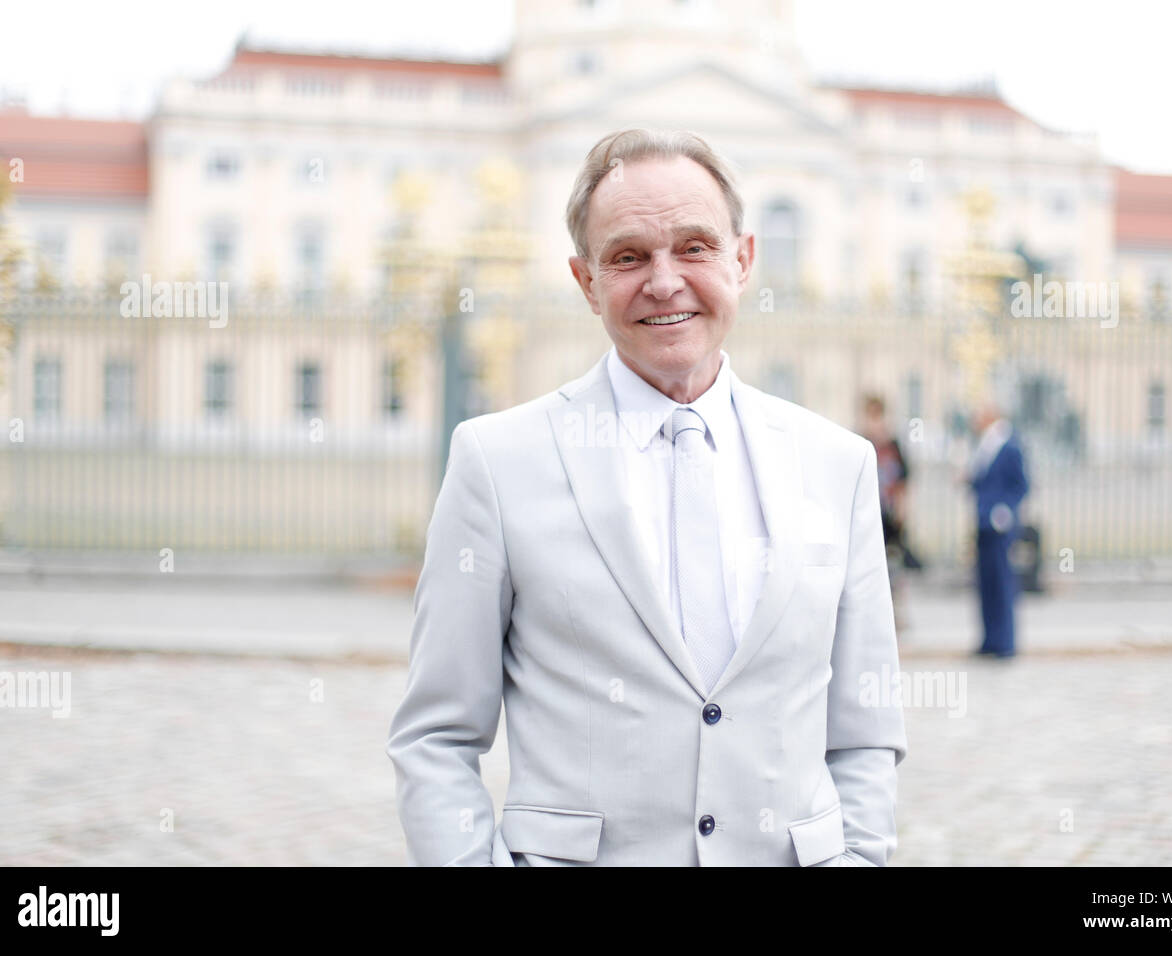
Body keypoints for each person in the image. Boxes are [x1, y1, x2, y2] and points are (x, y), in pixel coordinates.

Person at [386, 129, 907, 866]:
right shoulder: (496, 463)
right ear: (585, 280)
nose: (664, 282)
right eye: (629, 256)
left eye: (694, 247)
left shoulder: (838, 464)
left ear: (743, 258)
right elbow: (435, 738)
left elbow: (865, 729)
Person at [967, 400, 1030, 659]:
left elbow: (1022, 485)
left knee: (1002, 582)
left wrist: (1006, 510)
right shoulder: (985, 444)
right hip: (983, 522)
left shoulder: (1010, 445)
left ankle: (1005, 641)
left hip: (1000, 525)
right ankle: (989, 639)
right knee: (986, 583)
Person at [860, 394, 921, 633]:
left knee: (893, 566)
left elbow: (904, 481)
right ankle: (869, 615)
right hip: (867, 514)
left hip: (889, 515)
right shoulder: (859, 442)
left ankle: (896, 614)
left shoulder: (894, 446)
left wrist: (903, 508)